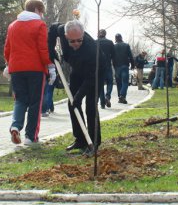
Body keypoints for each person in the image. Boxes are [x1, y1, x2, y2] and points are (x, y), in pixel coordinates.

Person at [4, 0, 55, 146]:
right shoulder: (39, 24)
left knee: (20, 99)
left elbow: (7, 49)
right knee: (35, 103)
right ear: (37, 10)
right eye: (42, 12)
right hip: (35, 69)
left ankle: (15, 126)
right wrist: (50, 66)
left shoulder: (12, 25)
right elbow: (42, 49)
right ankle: (30, 137)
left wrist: (9, 64)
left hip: (16, 69)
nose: (42, 15)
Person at [55, 20, 105, 152]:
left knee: (90, 106)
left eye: (79, 40)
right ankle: (80, 140)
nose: (76, 43)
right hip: (77, 71)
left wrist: (79, 95)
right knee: (72, 104)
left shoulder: (92, 50)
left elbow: (91, 78)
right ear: (66, 37)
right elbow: (54, 29)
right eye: (72, 41)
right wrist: (50, 49)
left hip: (95, 74)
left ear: (83, 35)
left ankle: (94, 142)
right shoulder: (61, 30)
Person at [113, 33, 135, 104]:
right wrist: (133, 65)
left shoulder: (114, 46)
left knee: (119, 83)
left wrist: (113, 66)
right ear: (121, 38)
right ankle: (122, 96)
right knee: (125, 82)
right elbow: (130, 56)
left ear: (116, 39)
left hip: (117, 67)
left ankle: (120, 97)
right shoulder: (126, 45)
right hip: (125, 66)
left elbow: (112, 57)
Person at [96, 29, 115, 109]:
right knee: (110, 82)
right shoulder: (110, 42)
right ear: (105, 34)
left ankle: (102, 103)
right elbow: (114, 54)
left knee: (100, 84)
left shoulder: (95, 42)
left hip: (98, 66)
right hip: (107, 65)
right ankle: (108, 96)